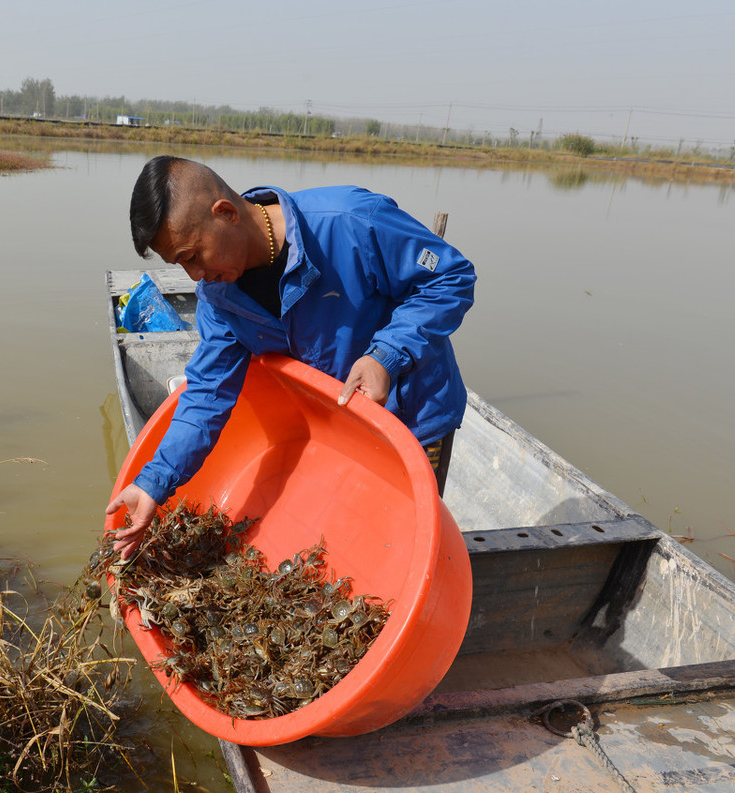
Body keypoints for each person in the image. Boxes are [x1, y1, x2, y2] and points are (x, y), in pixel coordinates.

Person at [106, 155, 476, 558]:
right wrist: (152, 483)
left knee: (408, 545)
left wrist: (386, 355)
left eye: (193, 256)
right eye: (180, 265)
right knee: (349, 545)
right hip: (336, 431)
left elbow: (450, 277)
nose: (195, 276)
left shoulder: (350, 221)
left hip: (414, 420)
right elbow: (207, 395)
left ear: (225, 213)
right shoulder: (220, 300)